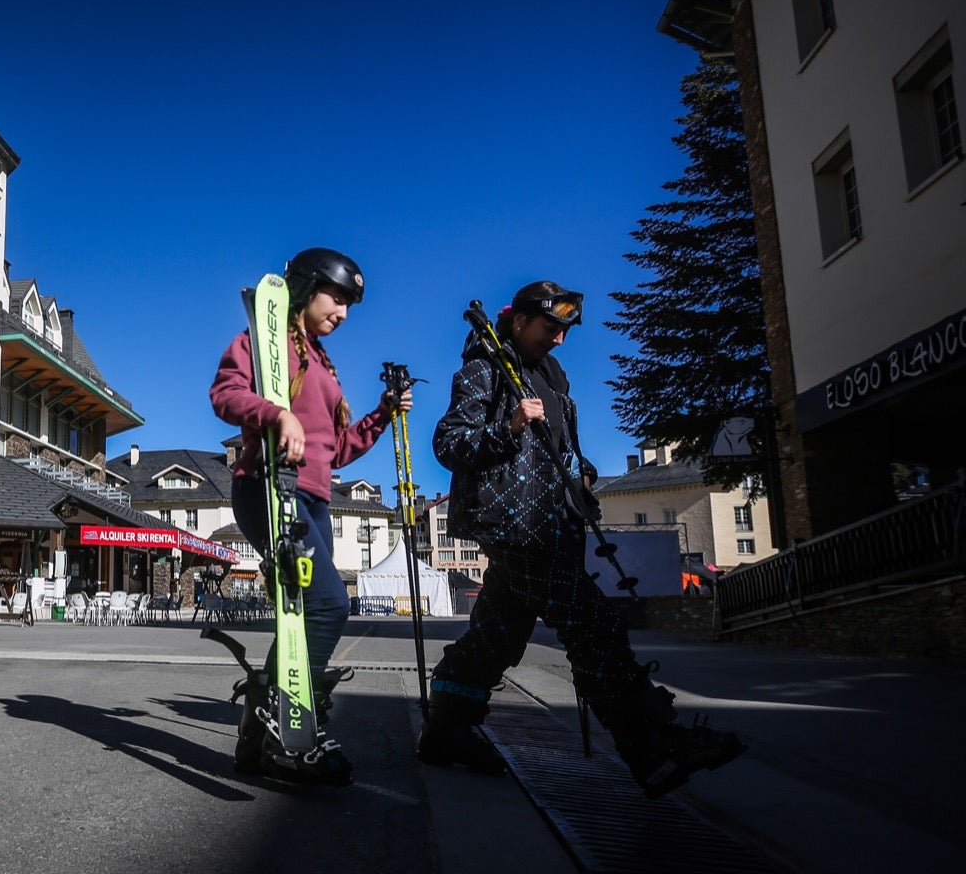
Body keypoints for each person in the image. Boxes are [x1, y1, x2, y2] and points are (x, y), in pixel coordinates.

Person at [417, 280, 744, 798]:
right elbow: (449, 443)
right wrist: (509, 427)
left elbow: (562, 449)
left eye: (566, 331)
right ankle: (652, 746)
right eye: (551, 328)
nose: (560, 340)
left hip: (552, 520)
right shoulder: (485, 370)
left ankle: (446, 730)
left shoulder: (550, 378)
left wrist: (585, 473)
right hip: (516, 525)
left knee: (496, 634)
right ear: (520, 321)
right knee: (593, 623)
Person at [209, 248, 411, 786]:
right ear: (305, 291)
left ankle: (259, 736)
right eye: (337, 298)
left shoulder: (322, 362)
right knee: (329, 604)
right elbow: (225, 395)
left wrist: (381, 416)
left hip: (314, 497)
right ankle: (291, 727)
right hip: (267, 486)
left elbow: (336, 449)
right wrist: (275, 413)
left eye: (350, 305)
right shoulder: (264, 343)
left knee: (300, 618)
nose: (343, 312)